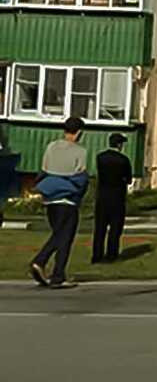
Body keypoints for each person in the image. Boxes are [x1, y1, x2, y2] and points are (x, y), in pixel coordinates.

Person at [29, 117, 89, 288]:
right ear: (79, 132)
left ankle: (58, 274)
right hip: (67, 200)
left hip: (50, 198)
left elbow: (45, 169)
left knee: (59, 235)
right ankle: (41, 262)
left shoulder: (51, 146)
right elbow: (80, 174)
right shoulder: (80, 151)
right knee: (65, 236)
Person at [91, 132, 134, 264]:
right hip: (117, 197)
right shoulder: (123, 160)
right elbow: (129, 179)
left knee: (100, 228)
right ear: (119, 145)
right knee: (115, 228)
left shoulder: (100, 158)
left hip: (102, 196)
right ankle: (112, 254)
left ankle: (97, 255)